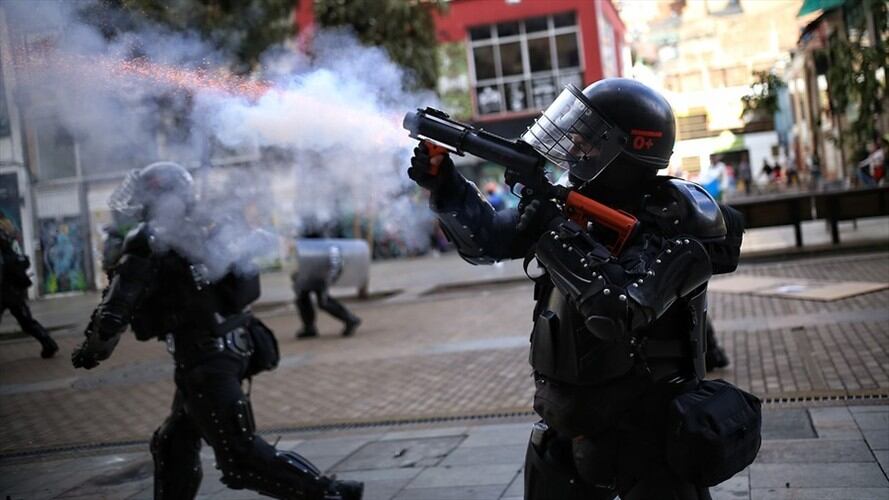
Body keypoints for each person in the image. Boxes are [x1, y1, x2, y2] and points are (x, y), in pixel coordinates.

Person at [409, 78, 759, 499]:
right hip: (567, 420)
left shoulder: (678, 219)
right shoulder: (570, 206)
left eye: (588, 141)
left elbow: (620, 309)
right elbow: (488, 242)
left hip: (651, 432)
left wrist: (554, 233)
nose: (574, 150)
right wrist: (445, 186)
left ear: (630, 148)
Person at [71, 163, 362, 500]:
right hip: (229, 346)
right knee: (174, 444)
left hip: (205, 360)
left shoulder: (150, 240)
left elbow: (115, 311)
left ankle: (331, 495)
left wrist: (91, 351)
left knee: (240, 458)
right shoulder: (204, 226)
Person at [0, 215, 57, 358]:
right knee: (27, 321)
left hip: (7, 289)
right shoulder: (9, 233)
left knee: (26, 321)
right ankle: (49, 344)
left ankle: (49, 344)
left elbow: (12, 260)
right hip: (13, 289)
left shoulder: (5, 238)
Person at [292, 223, 361, 339]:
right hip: (317, 264)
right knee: (304, 296)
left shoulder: (315, 230)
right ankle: (310, 327)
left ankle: (349, 319)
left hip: (318, 265)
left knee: (321, 300)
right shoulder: (315, 228)